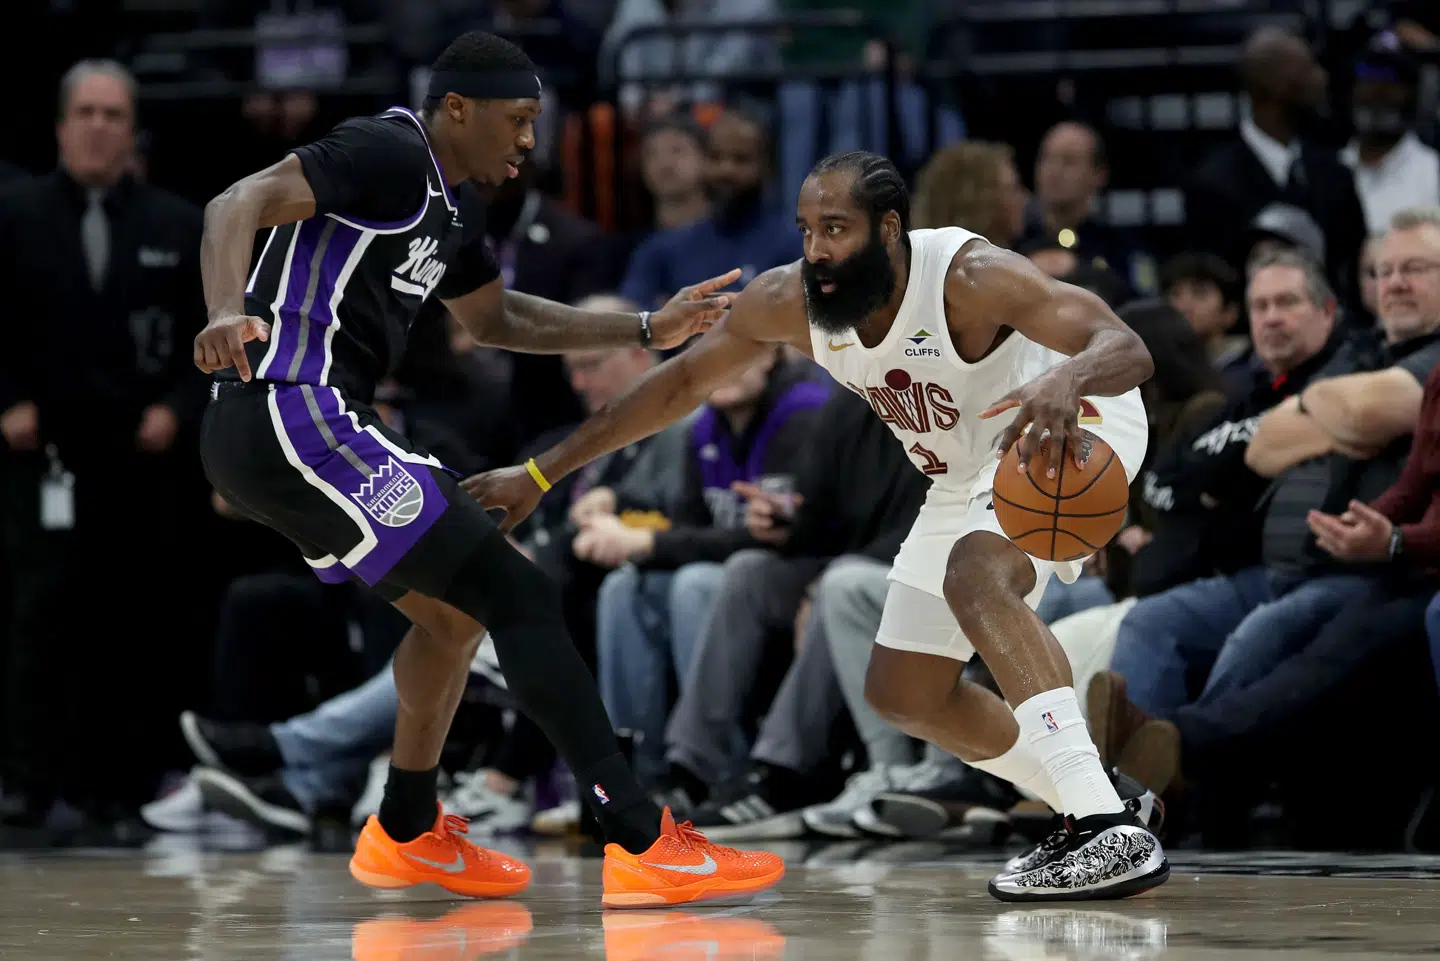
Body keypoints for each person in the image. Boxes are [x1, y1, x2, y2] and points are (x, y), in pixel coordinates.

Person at [468, 150, 1166, 902]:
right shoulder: (787, 302)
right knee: (906, 690)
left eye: (836, 228)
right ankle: (1099, 795)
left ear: (890, 228)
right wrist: (541, 472)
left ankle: (1104, 830)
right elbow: (676, 385)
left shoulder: (968, 275)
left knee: (975, 576)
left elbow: (1125, 346)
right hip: (964, 469)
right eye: (805, 230)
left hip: (1069, 428)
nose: (816, 251)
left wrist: (1067, 375)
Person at [192, 30, 783, 908]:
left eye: (536, 122)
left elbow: (497, 318)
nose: (528, 141)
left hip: (287, 430)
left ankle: (405, 828)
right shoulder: (389, 149)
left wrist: (645, 328)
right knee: (520, 591)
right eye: (517, 119)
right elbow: (233, 202)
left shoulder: (454, 208)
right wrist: (222, 311)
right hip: (290, 402)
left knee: (453, 621)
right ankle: (638, 833)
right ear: (457, 111)